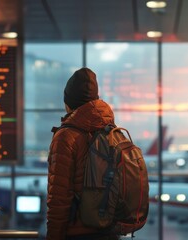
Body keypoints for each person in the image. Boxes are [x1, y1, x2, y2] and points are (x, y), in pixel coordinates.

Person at [46, 67, 119, 240]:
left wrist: (53, 236)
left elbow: (59, 198)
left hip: (78, 232)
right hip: (110, 230)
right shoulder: (112, 132)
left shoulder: (66, 137)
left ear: (68, 103)